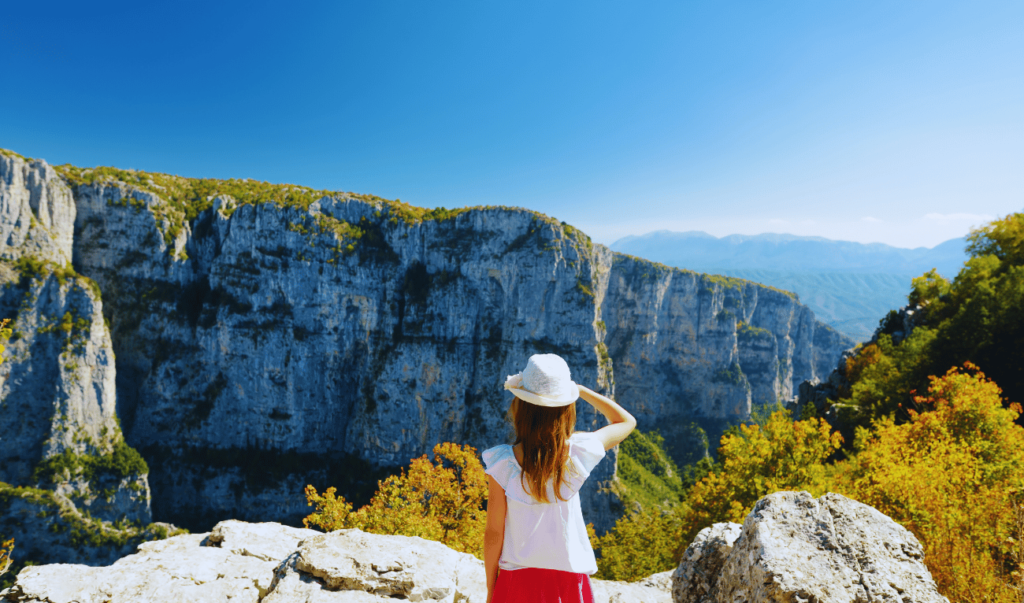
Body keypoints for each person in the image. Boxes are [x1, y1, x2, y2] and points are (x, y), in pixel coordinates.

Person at [482, 353, 636, 603]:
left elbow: (493, 533)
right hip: (568, 583)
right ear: (567, 410)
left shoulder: (503, 464)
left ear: (520, 408)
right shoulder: (578, 452)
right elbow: (626, 421)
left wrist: (491, 589)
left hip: (516, 582)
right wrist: (579, 390)